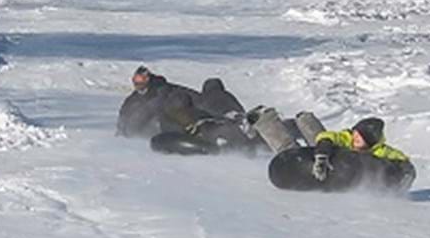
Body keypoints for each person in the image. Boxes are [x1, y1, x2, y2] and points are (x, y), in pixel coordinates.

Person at [268, 115, 414, 193]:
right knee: (295, 147)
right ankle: (269, 120)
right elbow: (327, 137)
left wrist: (405, 176)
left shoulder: (380, 150)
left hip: (346, 170)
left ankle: (303, 119)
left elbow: (404, 162)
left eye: (360, 136)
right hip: (323, 152)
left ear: (370, 140)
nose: (355, 137)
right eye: (355, 133)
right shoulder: (346, 138)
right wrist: (322, 157)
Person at [117, 66, 248, 141]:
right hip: (172, 127)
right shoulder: (133, 100)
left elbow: (196, 100)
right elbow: (124, 118)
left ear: (149, 79)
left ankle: (238, 118)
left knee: (212, 86)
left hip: (196, 110)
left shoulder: (163, 90)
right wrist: (123, 131)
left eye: (142, 79)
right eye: (136, 80)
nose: (138, 83)